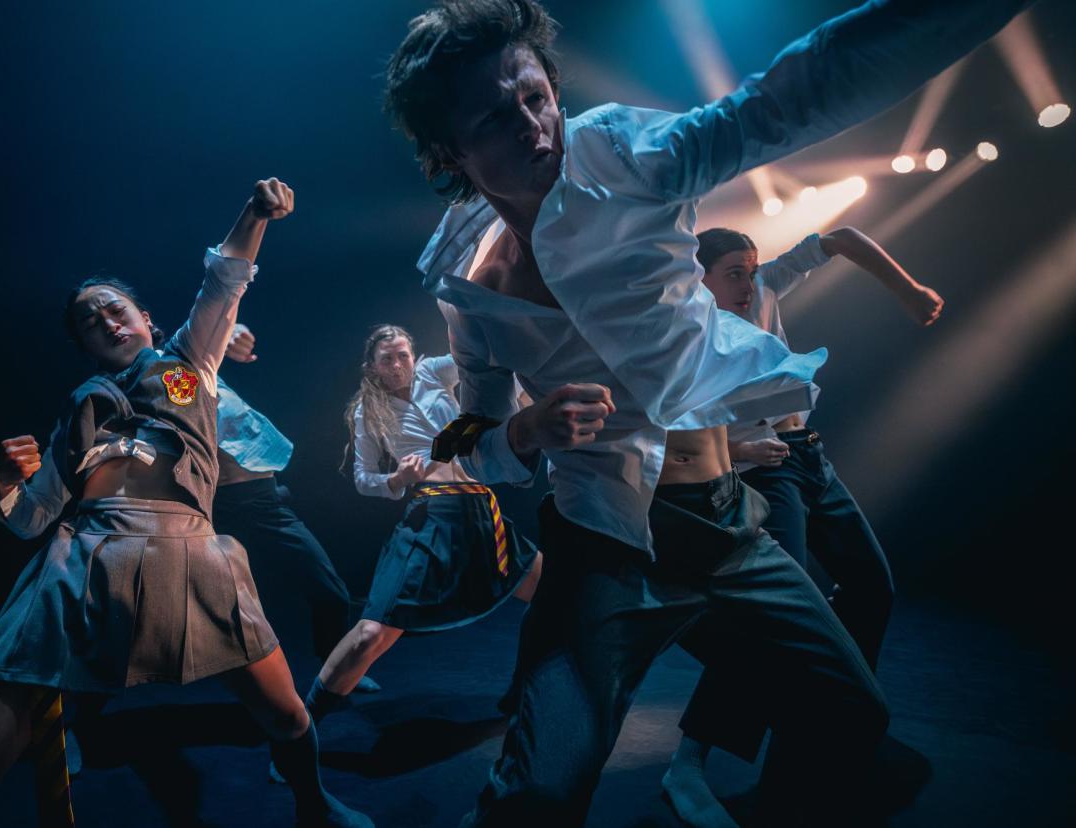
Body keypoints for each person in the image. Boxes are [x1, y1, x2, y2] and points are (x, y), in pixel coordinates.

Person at [382, 0, 1029, 823]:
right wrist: (522, 429)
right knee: (537, 795)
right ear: (448, 150)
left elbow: (782, 99)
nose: (533, 128)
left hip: (724, 527)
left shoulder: (622, 154)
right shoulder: (467, 288)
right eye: (493, 118)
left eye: (535, 96)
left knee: (850, 714)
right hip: (602, 549)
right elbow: (462, 434)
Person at [0, 179, 373, 828]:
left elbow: (224, 283)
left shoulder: (187, 363)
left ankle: (316, 807)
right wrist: (7, 479)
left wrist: (254, 213)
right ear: (85, 347)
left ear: (145, 318)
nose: (106, 322)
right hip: (80, 568)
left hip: (192, 558)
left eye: (114, 308)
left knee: (286, 714)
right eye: (89, 323)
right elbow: (34, 516)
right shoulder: (81, 411)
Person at [661, 227, 943, 825]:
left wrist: (908, 288)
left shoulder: (762, 288)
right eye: (733, 272)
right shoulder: (687, 328)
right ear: (700, 277)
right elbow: (672, 430)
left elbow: (839, 237)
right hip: (763, 469)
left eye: (751, 269)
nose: (747, 282)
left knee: (871, 585)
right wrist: (737, 449)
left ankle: (828, 724)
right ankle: (687, 764)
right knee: (773, 618)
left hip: (808, 455)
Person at [299, 324, 542, 726]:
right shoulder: (367, 411)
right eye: (386, 359)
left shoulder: (432, 373)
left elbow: (477, 356)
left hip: (483, 510)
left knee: (554, 601)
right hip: (433, 515)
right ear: (372, 366)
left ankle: (524, 689)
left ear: (414, 356)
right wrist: (396, 480)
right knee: (371, 635)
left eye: (402, 356)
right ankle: (299, 730)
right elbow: (363, 479)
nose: (397, 365)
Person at [216, 323, 380, 693]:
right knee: (223, 608)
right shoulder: (139, 381)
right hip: (213, 507)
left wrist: (231, 332)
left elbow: (215, 325)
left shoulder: (185, 361)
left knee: (330, 589)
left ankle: (335, 666)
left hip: (263, 499)